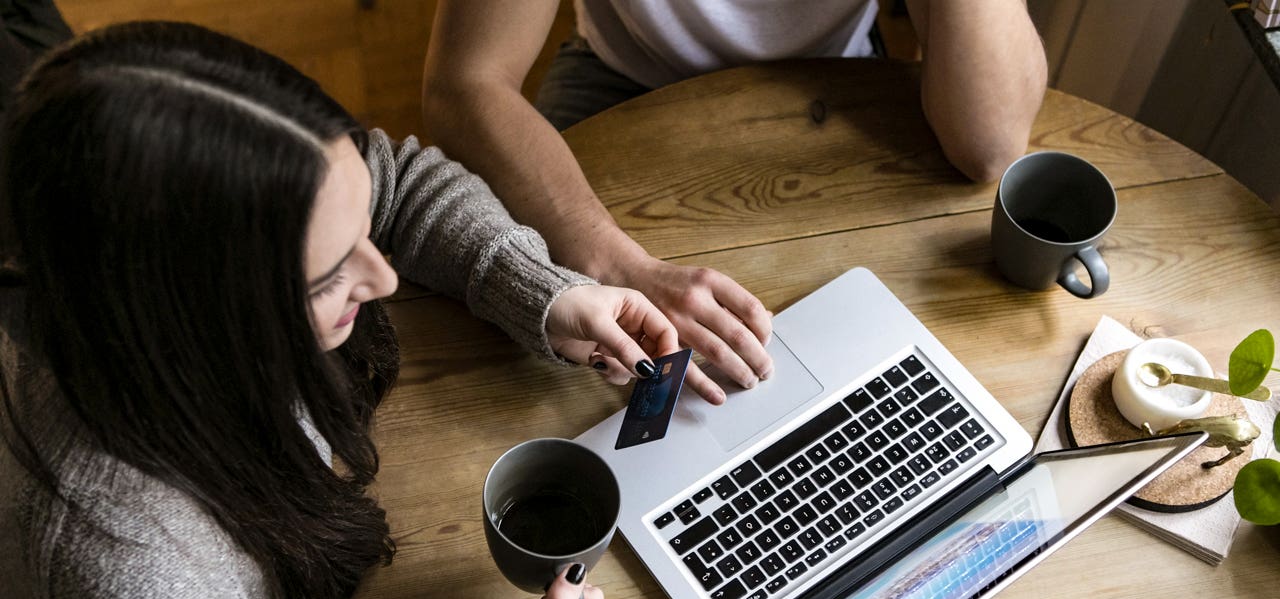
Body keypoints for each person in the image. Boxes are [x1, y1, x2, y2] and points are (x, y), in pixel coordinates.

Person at [0, 20, 682, 599]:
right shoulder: (143, 590)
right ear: (198, 322)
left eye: (362, 231)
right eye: (329, 275)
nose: (382, 277)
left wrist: (544, 291)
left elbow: (392, 183)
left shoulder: (246, 216)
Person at [421, 1, 1049, 405]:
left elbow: (988, 147)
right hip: (624, 76)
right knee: (545, 388)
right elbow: (464, 82)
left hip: (835, 73)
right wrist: (617, 263)